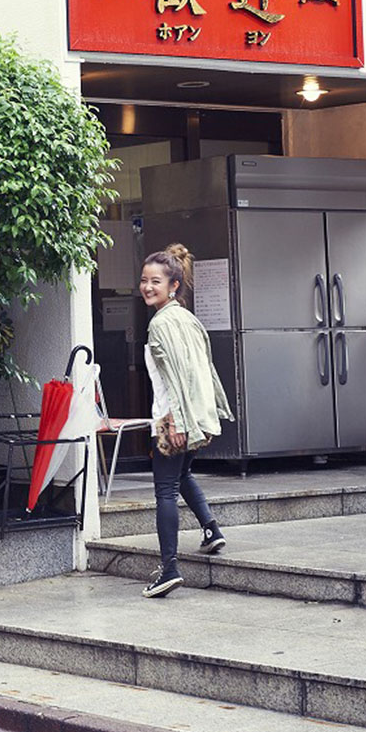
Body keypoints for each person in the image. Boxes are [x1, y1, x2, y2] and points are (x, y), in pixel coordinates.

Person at [138, 243, 234, 598]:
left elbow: (173, 379)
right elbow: (204, 370)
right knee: (182, 475)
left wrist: (176, 423)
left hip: (174, 419)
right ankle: (211, 529)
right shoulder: (187, 319)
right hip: (196, 415)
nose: (148, 287)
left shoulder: (160, 325)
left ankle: (169, 569)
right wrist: (208, 415)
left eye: (156, 281)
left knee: (165, 489)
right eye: (145, 280)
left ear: (173, 285)